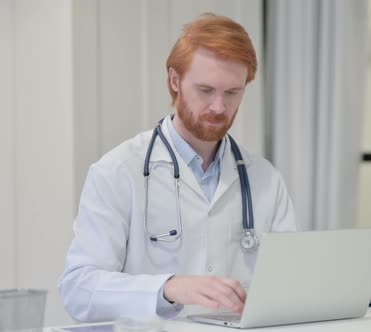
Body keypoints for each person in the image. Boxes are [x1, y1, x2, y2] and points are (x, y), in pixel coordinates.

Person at [58, 13, 297, 322]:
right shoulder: (118, 171)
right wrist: (168, 288)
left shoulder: (264, 178)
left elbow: (290, 281)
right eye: (206, 90)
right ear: (175, 80)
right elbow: (78, 289)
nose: (219, 108)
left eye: (232, 93)